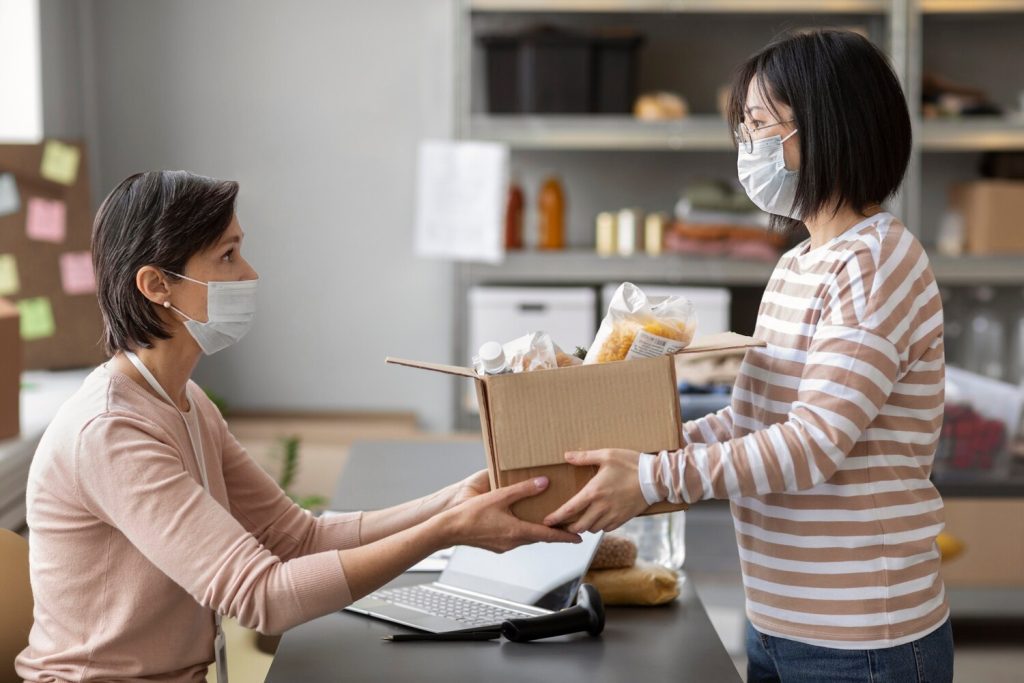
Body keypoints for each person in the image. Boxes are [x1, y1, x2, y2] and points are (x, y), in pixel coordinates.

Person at [16, 170, 579, 682]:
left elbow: (296, 538)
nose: (251, 272)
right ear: (157, 286)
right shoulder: (112, 431)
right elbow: (264, 597)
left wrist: (450, 502)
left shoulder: (183, 401)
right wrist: (447, 530)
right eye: (228, 255)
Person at [544, 29, 953, 683]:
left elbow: (814, 442)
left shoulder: (876, 263)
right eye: (744, 128)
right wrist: (634, 452)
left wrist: (653, 479)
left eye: (760, 125)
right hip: (776, 618)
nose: (747, 147)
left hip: (861, 636)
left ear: (828, 128)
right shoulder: (797, 265)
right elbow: (749, 420)